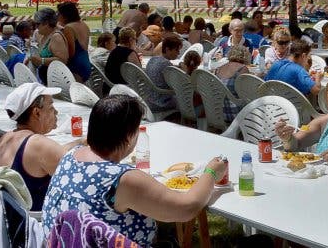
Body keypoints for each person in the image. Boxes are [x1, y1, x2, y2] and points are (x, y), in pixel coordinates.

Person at [41, 95, 227, 245]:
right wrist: (211, 172)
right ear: (129, 137)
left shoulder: (69, 155)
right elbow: (187, 207)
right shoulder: (122, 179)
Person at [0, 82, 82, 211]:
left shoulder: (6, 138)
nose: (56, 112)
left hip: (6, 218)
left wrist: (78, 143)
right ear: (37, 113)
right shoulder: (38, 144)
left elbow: (52, 154)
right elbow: (81, 177)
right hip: (35, 223)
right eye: (51, 107)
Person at [28, 8, 69, 83]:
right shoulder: (45, 36)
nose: (36, 28)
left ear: (46, 23)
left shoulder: (56, 37)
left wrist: (41, 61)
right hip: (46, 80)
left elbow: (63, 60)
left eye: (37, 24)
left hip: (56, 81)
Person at [57, 1, 92, 83]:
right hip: (86, 63)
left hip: (76, 66)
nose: (57, 16)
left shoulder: (69, 28)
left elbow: (71, 52)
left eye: (59, 14)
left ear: (65, 16)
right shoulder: (83, 24)